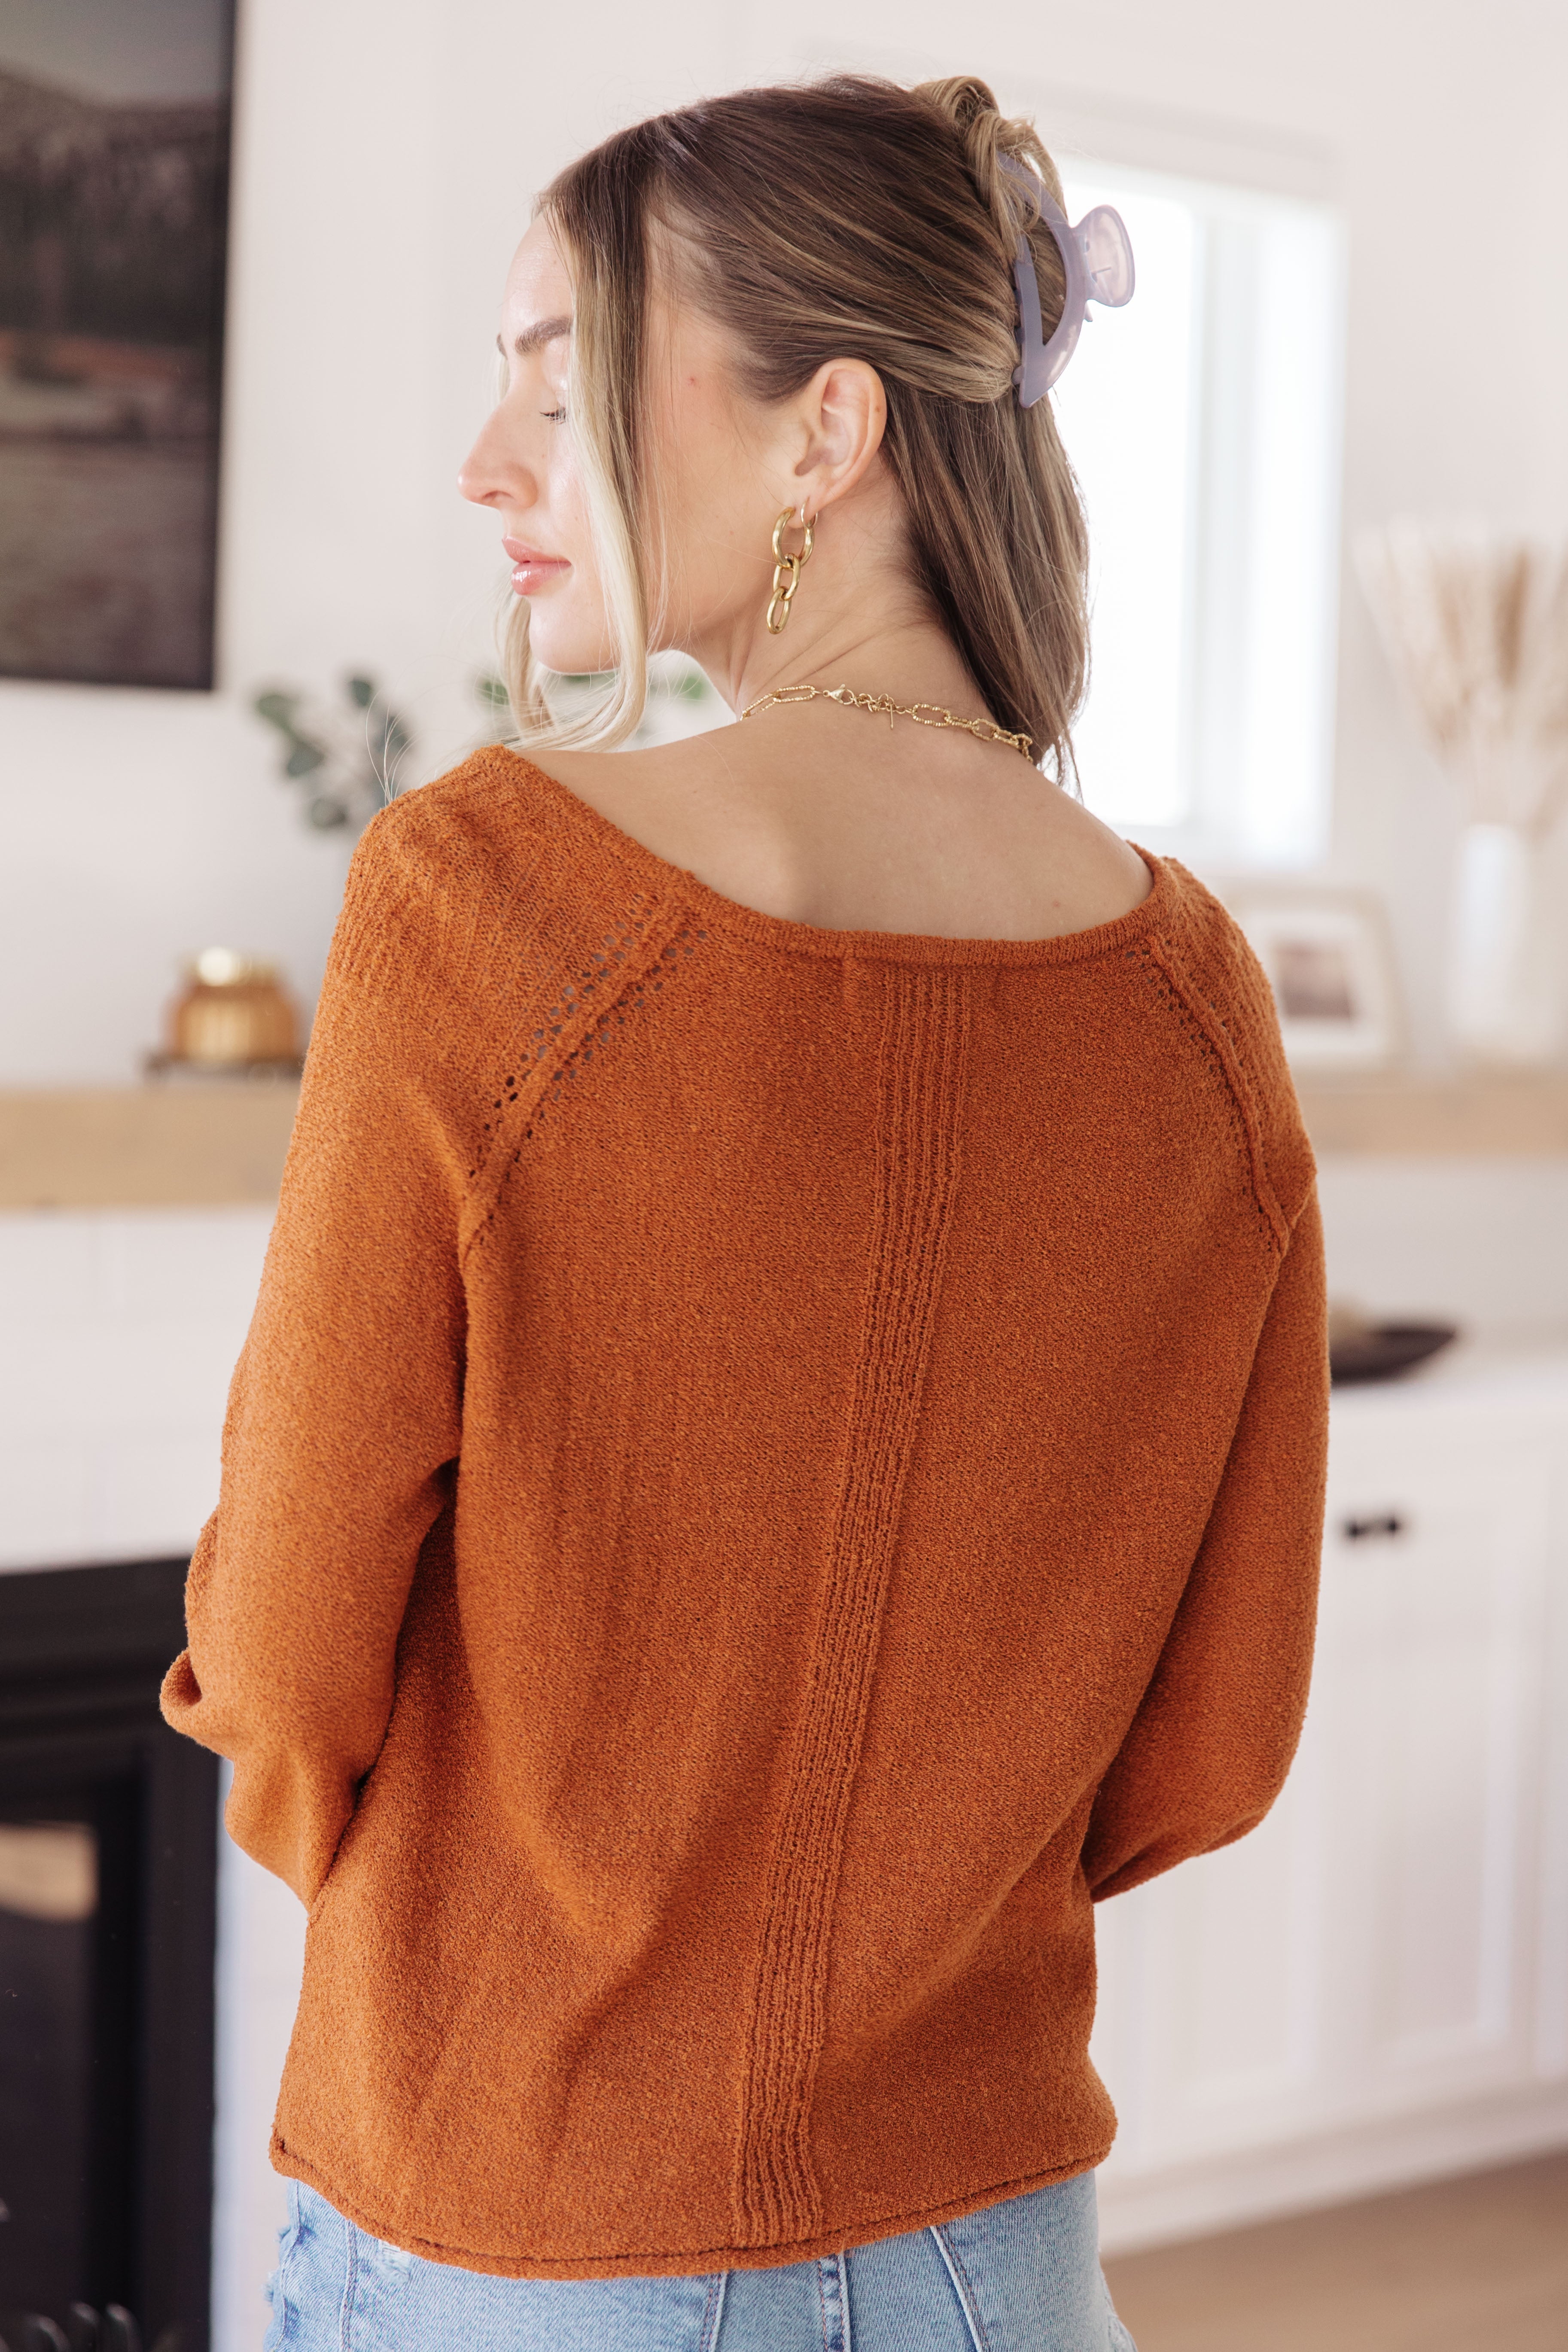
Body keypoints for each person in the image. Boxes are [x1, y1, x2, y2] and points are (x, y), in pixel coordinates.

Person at [162, 71, 1328, 2352]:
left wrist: (484, 1951)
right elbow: (1220, 1730)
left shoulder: (480, 899)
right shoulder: (1197, 994)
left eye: (553, 375)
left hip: (513, 2222)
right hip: (997, 2251)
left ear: (826, 434)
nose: (488, 464)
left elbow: (288, 1644)